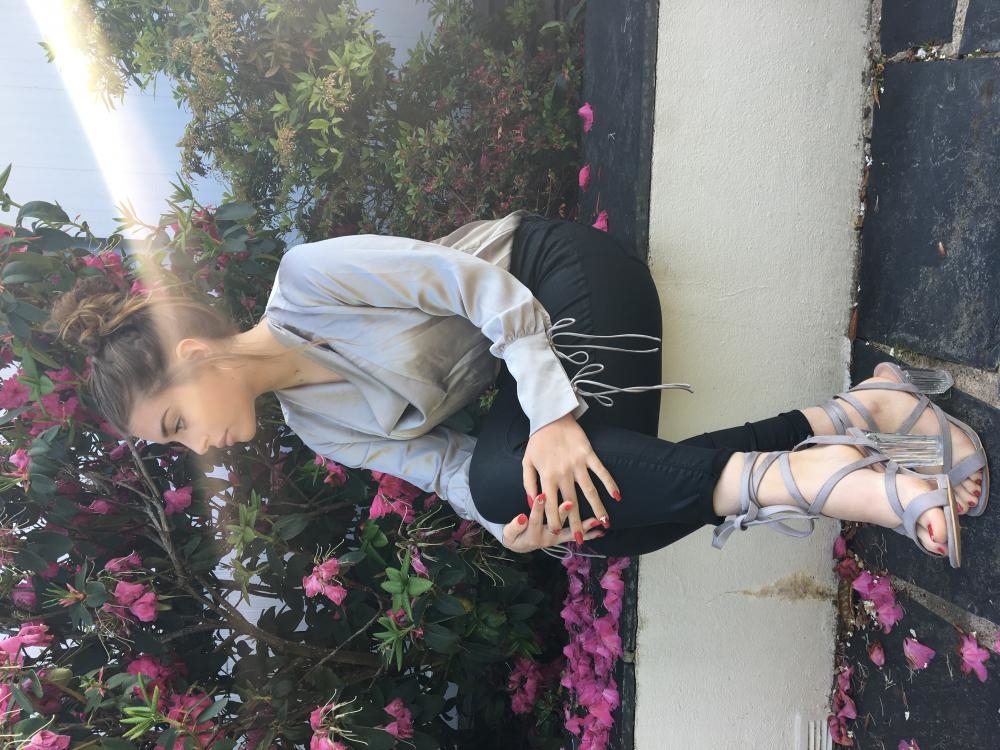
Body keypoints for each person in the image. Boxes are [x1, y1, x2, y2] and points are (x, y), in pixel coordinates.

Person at [50, 213, 988, 564]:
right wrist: (516, 529)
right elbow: (449, 473)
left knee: (549, 478)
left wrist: (553, 416)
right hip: (527, 377)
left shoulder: (310, 280)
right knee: (577, 517)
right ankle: (856, 418)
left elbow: (476, 287)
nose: (197, 448)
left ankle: (834, 472)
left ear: (196, 355)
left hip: (557, 277)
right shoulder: (314, 425)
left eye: (176, 423)